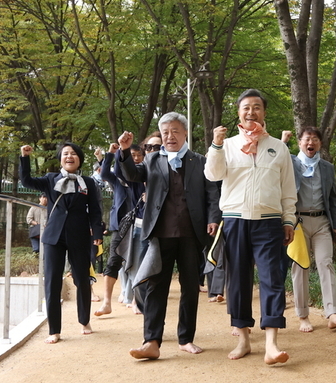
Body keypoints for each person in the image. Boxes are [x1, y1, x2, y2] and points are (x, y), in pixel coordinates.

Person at [204, 88, 297, 365]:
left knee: (272, 279)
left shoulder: (279, 148)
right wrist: (216, 145)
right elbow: (213, 174)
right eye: (246, 108)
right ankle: (243, 338)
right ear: (239, 114)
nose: (251, 112)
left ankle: (271, 343)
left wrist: (288, 219)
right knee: (238, 281)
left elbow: (288, 190)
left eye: (256, 107)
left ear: (264, 113)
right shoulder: (228, 144)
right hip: (234, 220)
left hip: (268, 222)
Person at [118, 111, 221, 359]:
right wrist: (123, 152)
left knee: (190, 287)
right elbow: (131, 174)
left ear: (185, 132)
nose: (169, 136)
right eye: (165, 132)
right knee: (156, 287)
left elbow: (212, 194)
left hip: (191, 234)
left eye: (175, 130)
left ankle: (186, 338)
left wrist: (213, 219)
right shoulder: (152, 160)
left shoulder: (200, 160)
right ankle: (151, 341)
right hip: (159, 235)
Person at [19, 142, 104, 344]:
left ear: (79, 159)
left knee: (82, 279)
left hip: (79, 235)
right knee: (52, 282)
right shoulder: (50, 179)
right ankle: (54, 330)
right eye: (65, 154)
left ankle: (84, 321)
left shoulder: (88, 183)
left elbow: (95, 209)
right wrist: (25, 158)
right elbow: (26, 181)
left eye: (73, 153)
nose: (69, 157)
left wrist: (97, 232)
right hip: (53, 237)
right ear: (60, 159)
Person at [283, 128, 336, 333]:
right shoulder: (291, 162)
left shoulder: (327, 167)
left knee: (325, 263)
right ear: (300, 143)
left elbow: (333, 199)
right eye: (307, 139)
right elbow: (275, 161)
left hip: (321, 222)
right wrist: (283, 142)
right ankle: (303, 316)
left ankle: (332, 314)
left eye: (315, 140)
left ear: (320, 144)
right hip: (298, 223)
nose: (311, 143)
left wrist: (335, 226)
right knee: (300, 268)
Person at [94, 144, 146, 316]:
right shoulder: (116, 180)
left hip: (140, 224)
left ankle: (136, 301)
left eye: (138, 155)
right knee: (113, 263)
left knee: (138, 264)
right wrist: (110, 153)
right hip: (119, 227)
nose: (136, 158)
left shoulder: (143, 179)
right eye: (132, 155)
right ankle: (107, 303)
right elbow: (103, 173)